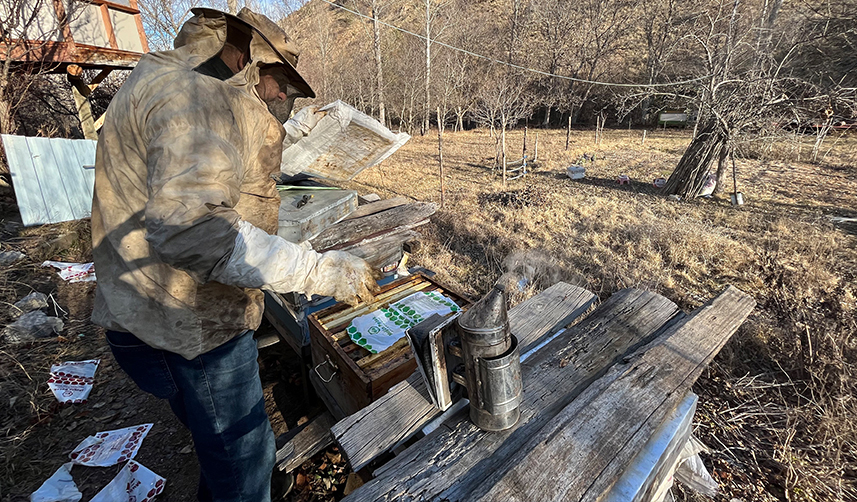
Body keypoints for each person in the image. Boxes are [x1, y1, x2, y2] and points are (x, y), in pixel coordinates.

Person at [90, 7, 378, 502]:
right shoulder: (195, 100)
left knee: (219, 443)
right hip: (190, 320)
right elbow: (194, 230)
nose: (284, 95)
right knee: (243, 456)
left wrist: (281, 244)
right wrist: (316, 269)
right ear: (243, 57)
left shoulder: (168, 77)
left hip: (146, 311)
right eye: (278, 79)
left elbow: (216, 197)